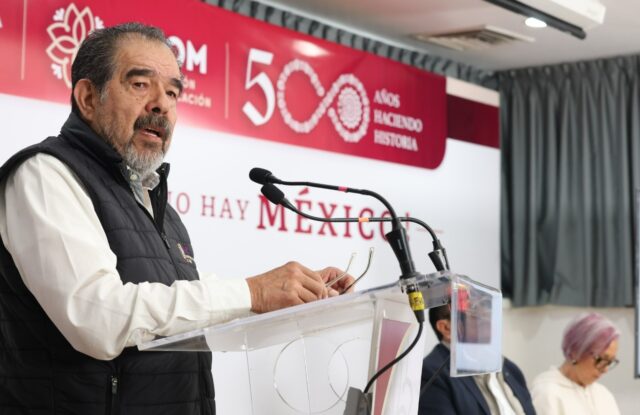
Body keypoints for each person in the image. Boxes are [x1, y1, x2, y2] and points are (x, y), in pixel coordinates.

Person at [0, 23, 353, 414]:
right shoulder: (45, 175)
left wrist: (286, 297)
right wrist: (252, 292)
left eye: (172, 92)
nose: (161, 105)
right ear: (87, 98)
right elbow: (97, 318)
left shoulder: (158, 207)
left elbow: (179, 310)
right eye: (140, 85)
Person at [419, 305, 536, 415]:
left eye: (486, 308)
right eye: (475, 312)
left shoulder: (508, 367)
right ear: (446, 328)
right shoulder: (431, 374)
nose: (487, 316)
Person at [531, 312, 621, 415]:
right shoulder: (547, 394)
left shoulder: (604, 395)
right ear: (575, 352)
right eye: (601, 360)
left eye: (610, 362)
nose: (605, 370)